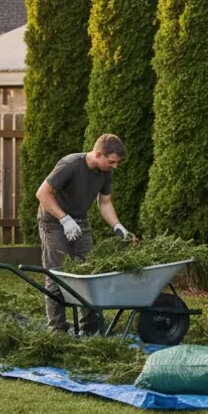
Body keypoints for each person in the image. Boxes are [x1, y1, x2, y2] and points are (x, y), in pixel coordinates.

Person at [35, 134, 131, 333]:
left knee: (90, 272)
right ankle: (57, 330)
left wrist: (118, 227)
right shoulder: (70, 165)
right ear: (98, 155)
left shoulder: (105, 172)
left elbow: (104, 202)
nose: (114, 166)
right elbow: (42, 193)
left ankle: (90, 327)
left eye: (117, 163)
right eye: (112, 162)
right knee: (56, 275)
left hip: (79, 221)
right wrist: (64, 219)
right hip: (53, 221)